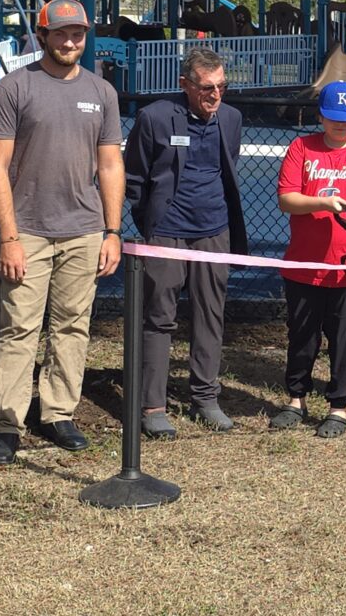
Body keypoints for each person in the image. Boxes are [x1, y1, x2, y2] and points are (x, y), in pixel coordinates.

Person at [0, 0, 124, 466]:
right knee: (19, 328)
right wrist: (9, 236)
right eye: (61, 34)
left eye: (77, 34)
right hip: (28, 233)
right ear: (42, 36)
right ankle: (7, 422)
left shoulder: (102, 92)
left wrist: (112, 230)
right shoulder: (13, 88)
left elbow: (109, 164)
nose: (70, 42)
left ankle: (59, 413)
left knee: (71, 326)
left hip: (84, 232)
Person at [123, 48, 247, 439]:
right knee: (159, 317)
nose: (216, 95)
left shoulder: (231, 119)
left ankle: (206, 398)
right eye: (207, 87)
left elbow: (228, 169)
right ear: (185, 85)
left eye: (222, 87)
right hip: (166, 233)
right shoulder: (155, 117)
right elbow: (135, 178)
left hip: (214, 231)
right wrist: (151, 224)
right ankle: (153, 406)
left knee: (211, 313)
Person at [270, 81, 346, 439]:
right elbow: (286, 198)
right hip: (305, 263)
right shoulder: (301, 148)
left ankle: (338, 405)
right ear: (321, 116)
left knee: (345, 336)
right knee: (302, 334)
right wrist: (322, 203)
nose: (342, 125)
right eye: (335, 118)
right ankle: (296, 398)